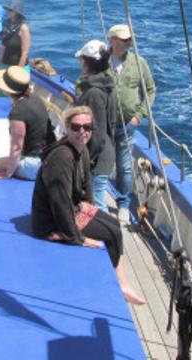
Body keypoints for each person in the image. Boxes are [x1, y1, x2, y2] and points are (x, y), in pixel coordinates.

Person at [31, 106, 145, 305]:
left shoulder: (81, 149)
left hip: (72, 207)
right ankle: (120, 284)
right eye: (76, 127)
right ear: (67, 128)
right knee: (110, 234)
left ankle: (121, 282)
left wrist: (90, 206)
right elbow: (59, 201)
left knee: (115, 226)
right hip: (51, 220)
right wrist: (76, 237)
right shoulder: (62, 157)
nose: (82, 132)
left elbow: (87, 183)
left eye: (87, 127)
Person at [108, 24, 157, 224]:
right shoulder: (101, 60)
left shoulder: (139, 63)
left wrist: (139, 116)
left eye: (129, 39)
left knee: (125, 167)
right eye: (124, 39)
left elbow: (151, 90)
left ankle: (123, 205)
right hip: (103, 123)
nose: (129, 42)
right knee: (97, 163)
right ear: (112, 39)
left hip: (127, 124)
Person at [74, 39, 117, 211]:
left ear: (86, 62)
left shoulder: (93, 93)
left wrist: (87, 160)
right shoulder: (107, 84)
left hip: (97, 158)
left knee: (97, 202)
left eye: (81, 58)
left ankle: (109, 234)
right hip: (105, 151)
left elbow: (96, 132)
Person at [0, 66, 55, 180]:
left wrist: (8, 173)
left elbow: (17, 147)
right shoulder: (36, 99)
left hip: (37, 166)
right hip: (50, 159)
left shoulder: (18, 111)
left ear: (7, 90)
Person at [0, 0, 31, 71]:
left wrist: (19, 70)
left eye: (11, 10)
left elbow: (25, 52)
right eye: (7, 9)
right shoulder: (5, 24)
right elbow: (3, 46)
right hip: (5, 64)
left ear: (17, 12)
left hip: (19, 67)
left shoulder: (23, 28)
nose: (8, 11)